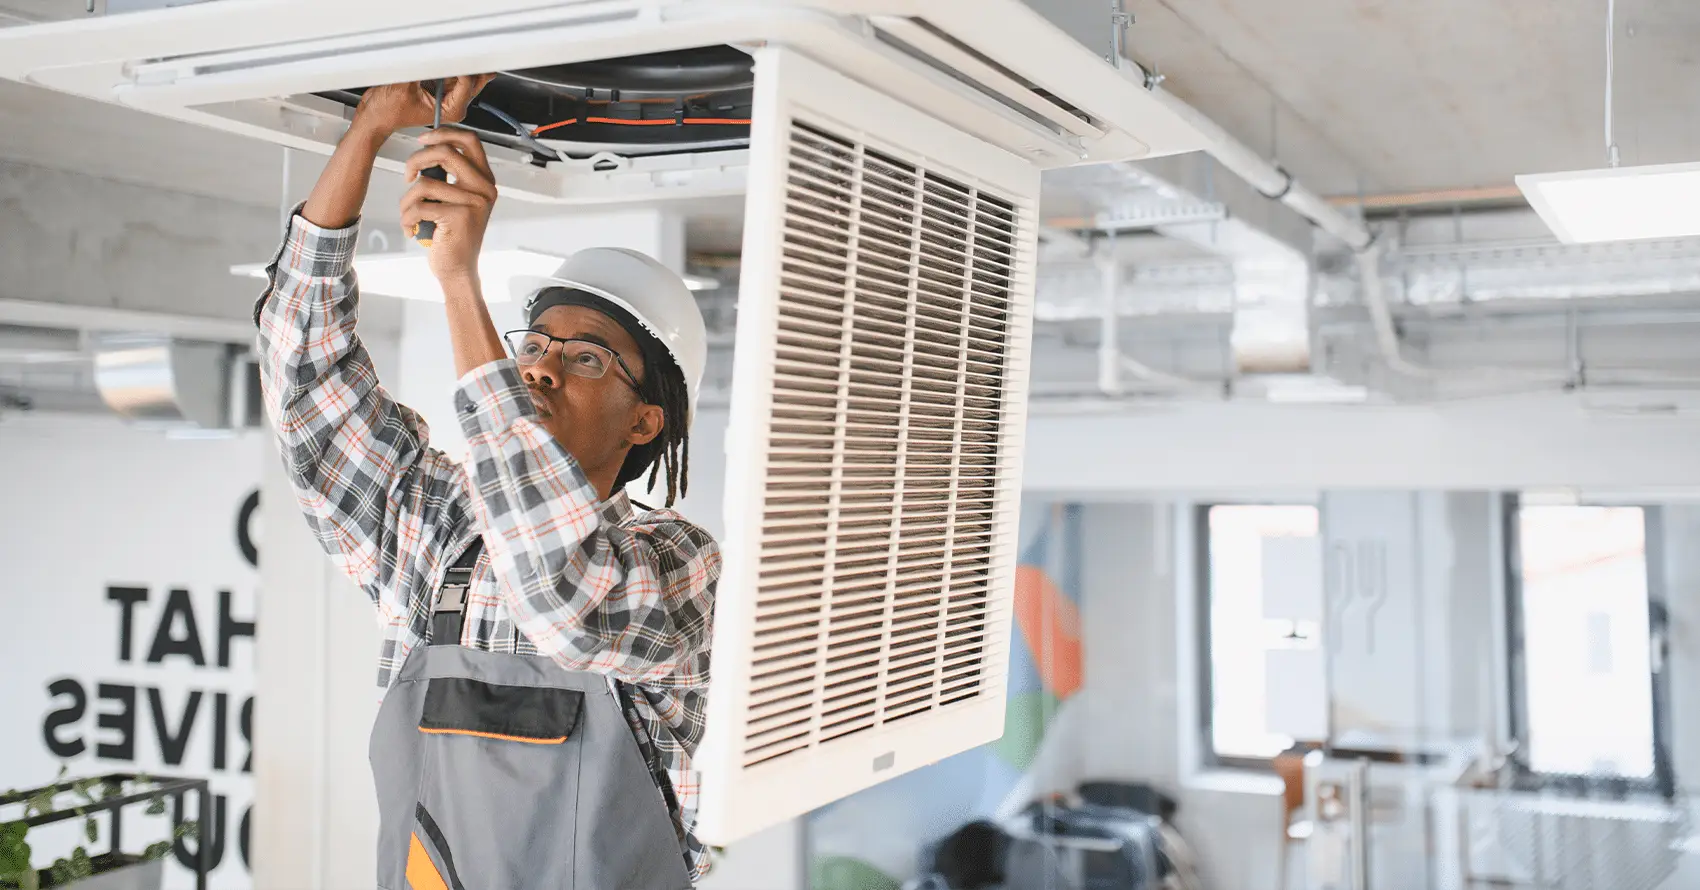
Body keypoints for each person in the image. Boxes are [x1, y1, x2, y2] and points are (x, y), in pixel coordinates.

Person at [254, 76, 718, 889]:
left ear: (645, 422)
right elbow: (306, 377)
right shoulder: (440, 534)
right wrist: (369, 131)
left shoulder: (675, 564)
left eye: (586, 357)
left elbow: (560, 593)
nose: (538, 368)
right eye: (533, 345)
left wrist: (458, 283)